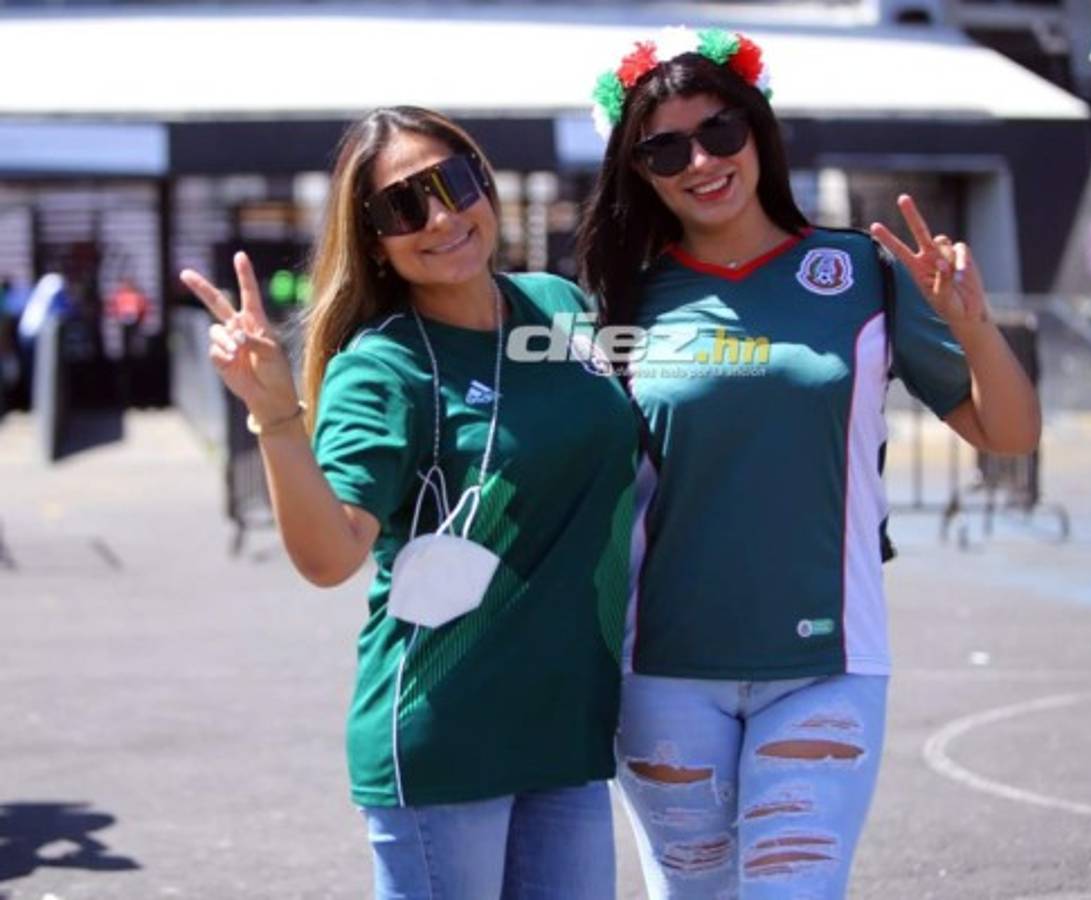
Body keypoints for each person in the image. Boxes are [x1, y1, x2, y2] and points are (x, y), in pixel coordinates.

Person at [577, 28, 1041, 899]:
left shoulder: (863, 270)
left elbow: (1006, 435)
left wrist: (973, 325)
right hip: (661, 670)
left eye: (720, 132)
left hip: (828, 665)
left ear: (758, 131)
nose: (701, 162)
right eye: (664, 147)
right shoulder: (622, 300)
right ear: (636, 169)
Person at [180, 106, 637, 900]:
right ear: (374, 239)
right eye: (401, 206)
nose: (439, 217)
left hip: (567, 728)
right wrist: (276, 417)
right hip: (446, 734)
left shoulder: (559, 308)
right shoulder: (382, 367)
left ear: (482, 181)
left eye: (451, 184)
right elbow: (330, 558)